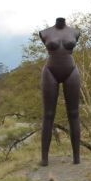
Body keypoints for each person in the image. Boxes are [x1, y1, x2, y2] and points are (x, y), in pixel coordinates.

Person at [38, 17, 81, 166]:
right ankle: (44, 158)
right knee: (48, 115)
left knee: (74, 114)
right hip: (50, 72)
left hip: (71, 70)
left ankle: (77, 157)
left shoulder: (75, 32)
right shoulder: (45, 32)